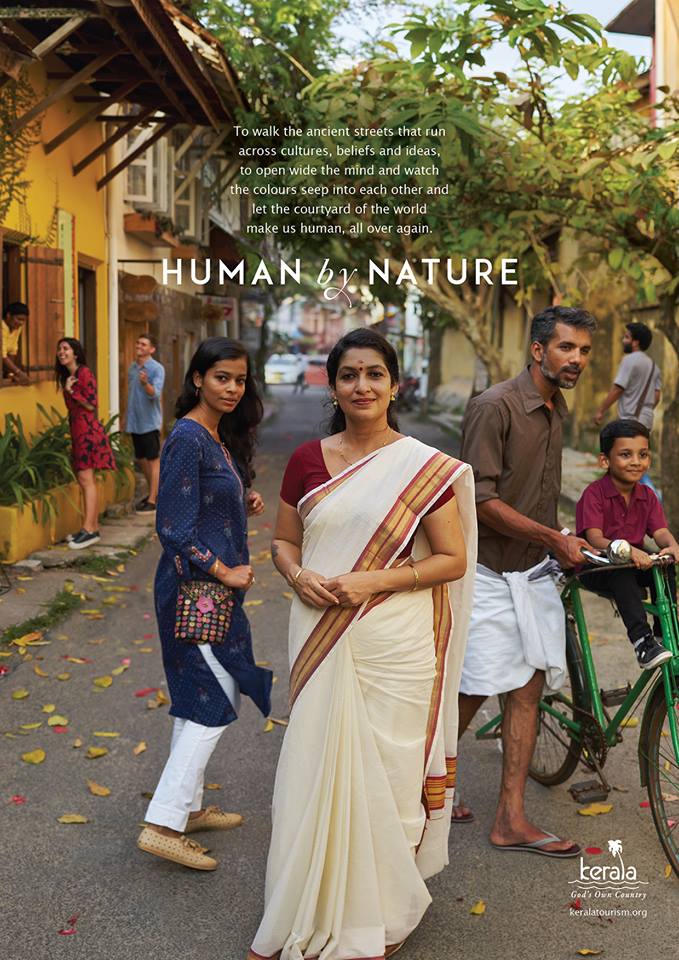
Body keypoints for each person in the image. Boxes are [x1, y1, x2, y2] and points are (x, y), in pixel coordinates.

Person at [248, 327, 477, 960]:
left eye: (375, 374)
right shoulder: (307, 461)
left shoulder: (421, 468)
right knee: (318, 763)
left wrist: (371, 581)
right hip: (322, 627)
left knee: (388, 771)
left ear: (395, 384)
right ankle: (310, 901)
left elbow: (453, 559)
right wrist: (298, 575)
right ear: (334, 384)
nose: (362, 386)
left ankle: (379, 911)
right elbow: (283, 542)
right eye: (349, 374)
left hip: (394, 640)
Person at [454, 305, 595, 857]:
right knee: (471, 692)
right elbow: (481, 499)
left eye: (583, 350)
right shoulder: (494, 407)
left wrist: (560, 540)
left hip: (532, 571)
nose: (577, 359)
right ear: (538, 350)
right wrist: (553, 536)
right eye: (567, 348)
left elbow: (536, 491)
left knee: (528, 689)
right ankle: (416, 790)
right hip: (488, 573)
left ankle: (510, 818)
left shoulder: (555, 408)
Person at [137, 337, 272, 872]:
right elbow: (171, 525)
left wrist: (242, 496)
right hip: (195, 588)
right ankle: (162, 824)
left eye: (239, 379)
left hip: (210, 590)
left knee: (200, 692)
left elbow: (204, 499)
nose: (232, 388)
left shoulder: (216, 436)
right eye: (221, 377)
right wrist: (223, 570)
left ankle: (186, 808)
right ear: (197, 379)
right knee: (216, 695)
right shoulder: (188, 438)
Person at [576, 420, 679, 669]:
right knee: (620, 570)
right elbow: (595, 538)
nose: (636, 461)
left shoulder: (647, 496)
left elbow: (660, 531)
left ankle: (665, 631)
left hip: (631, 562)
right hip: (597, 565)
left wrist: (673, 546)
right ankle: (642, 642)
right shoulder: (594, 494)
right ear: (605, 461)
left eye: (642, 455)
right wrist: (628, 549)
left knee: (663, 565)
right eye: (625, 454)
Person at [55, 338, 116, 550]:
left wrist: (72, 391)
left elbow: (91, 404)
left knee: (86, 479)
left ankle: (90, 530)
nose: (61, 352)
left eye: (65, 349)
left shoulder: (84, 373)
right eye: (59, 349)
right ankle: (90, 527)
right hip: (78, 429)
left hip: (87, 430)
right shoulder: (70, 376)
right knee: (85, 480)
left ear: (76, 353)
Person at [594, 322, 661, 430]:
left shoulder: (629, 360)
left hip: (630, 419)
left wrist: (601, 410)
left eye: (626, 337)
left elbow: (618, 389)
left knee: (625, 447)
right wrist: (645, 411)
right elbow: (657, 396)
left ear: (635, 342)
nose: (623, 341)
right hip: (647, 420)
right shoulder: (654, 366)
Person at [126, 332, 165, 514]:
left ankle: (154, 499)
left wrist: (145, 384)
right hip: (135, 421)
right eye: (138, 343)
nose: (139, 346)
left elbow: (155, 394)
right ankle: (153, 493)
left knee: (153, 460)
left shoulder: (157, 369)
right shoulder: (132, 368)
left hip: (149, 422)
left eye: (143, 344)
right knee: (141, 459)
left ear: (152, 349)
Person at [2, 302, 30, 385]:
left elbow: (12, 350)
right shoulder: (2, 327)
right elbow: (2, 355)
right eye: (19, 319)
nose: (21, 323)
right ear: (8, 315)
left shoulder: (17, 328)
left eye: (24, 320)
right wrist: (18, 372)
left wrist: (11, 373)